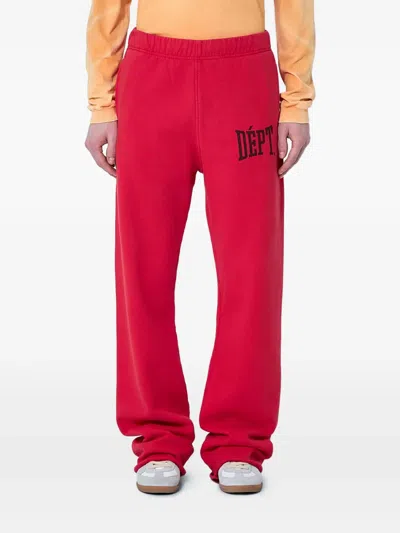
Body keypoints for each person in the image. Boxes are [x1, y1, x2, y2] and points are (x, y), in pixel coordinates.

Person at [85, 0, 315, 495]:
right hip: (150, 78)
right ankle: (157, 436)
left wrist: (296, 101)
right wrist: (102, 103)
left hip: (243, 79)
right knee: (143, 267)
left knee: (251, 269)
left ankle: (240, 439)